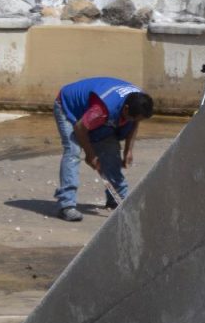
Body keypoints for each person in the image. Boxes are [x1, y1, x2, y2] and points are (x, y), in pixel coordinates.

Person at [53, 77, 155, 222]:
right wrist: (90, 154)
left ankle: (117, 198)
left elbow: (135, 121)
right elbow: (80, 128)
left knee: (111, 150)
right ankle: (66, 205)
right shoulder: (102, 109)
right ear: (125, 109)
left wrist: (128, 150)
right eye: (132, 118)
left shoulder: (139, 101)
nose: (134, 121)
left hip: (93, 113)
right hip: (69, 107)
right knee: (73, 151)